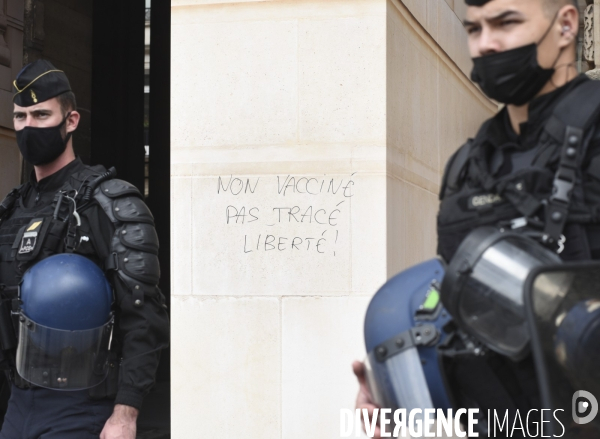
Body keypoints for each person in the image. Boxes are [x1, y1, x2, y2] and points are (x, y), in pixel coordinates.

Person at [353, 0, 594, 436]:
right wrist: (394, 394)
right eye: (474, 29)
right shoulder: (467, 166)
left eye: (505, 23)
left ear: (565, 25)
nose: (485, 44)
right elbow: (459, 318)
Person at [0, 59, 170, 438]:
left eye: (42, 114)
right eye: (20, 116)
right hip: (18, 405)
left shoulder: (107, 203)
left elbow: (144, 313)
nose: (29, 126)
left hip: (81, 407)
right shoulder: (12, 208)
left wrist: (125, 413)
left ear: (71, 120)